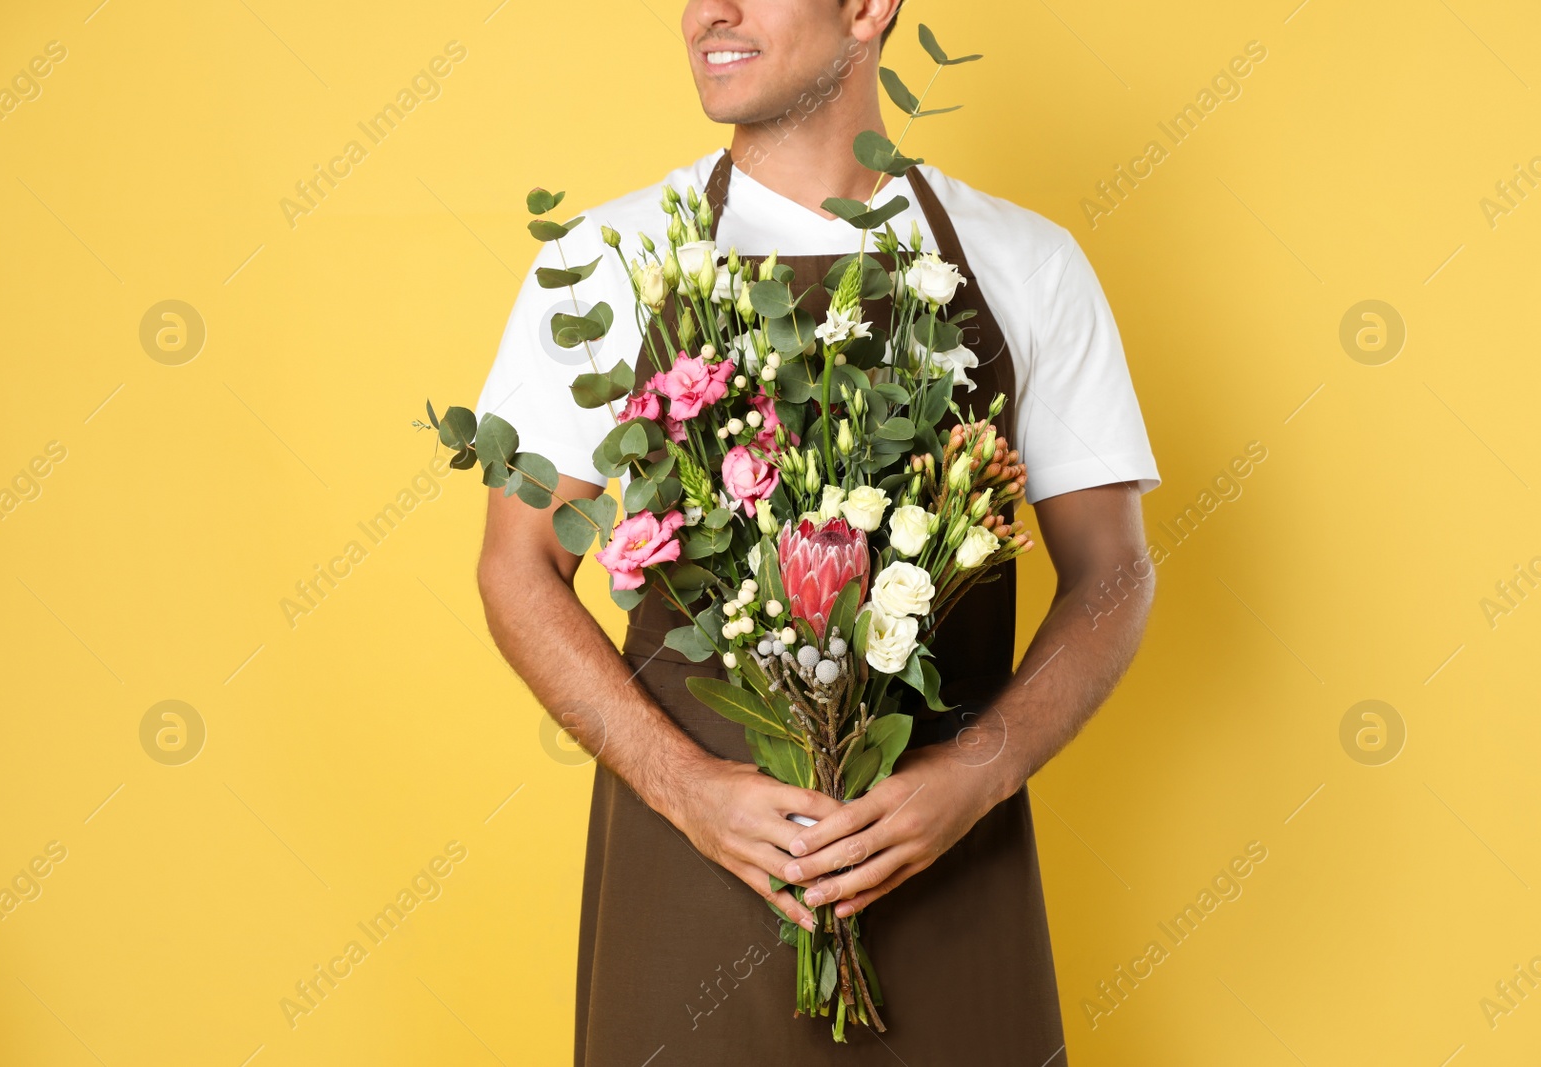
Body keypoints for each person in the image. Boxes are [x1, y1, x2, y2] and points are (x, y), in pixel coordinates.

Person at [473, 1, 1160, 1062]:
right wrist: (685, 787)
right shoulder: (611, 263)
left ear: (867, 8)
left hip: (947, 867)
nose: (708, 12)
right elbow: (518, 566)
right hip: (688, 878)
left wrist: (974, 772)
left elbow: (1114, 571)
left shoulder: (1023, 260)